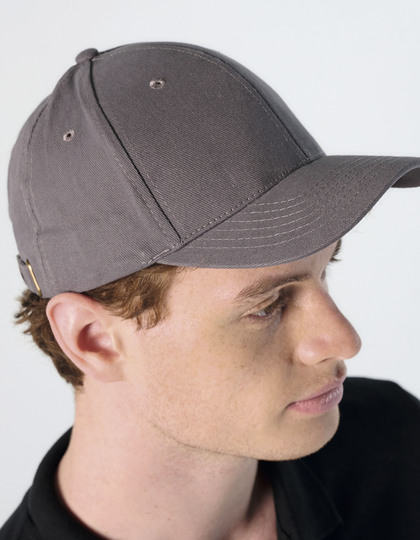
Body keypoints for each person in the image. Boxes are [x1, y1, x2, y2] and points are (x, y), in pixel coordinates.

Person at [1, 41, 419, 540]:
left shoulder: (394, 447)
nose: (344, 340)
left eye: (326, 267)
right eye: (268, 306)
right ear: (93, 339)